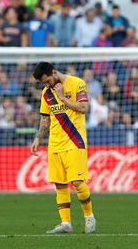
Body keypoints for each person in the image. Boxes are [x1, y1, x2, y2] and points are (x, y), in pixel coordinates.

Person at [30, 62, 95, 234]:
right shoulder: (46, 93)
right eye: (43, 83)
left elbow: (83, 108)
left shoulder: (77, 83)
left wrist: (62, 97)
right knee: (59, 184)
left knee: (77, 182)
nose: (46, 85)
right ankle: (66, 223)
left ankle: (89, 217)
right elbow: (45, 120)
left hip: (75, 141)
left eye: (47, 81)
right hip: (55, 144)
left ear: (54, 72)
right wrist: (38, 138)